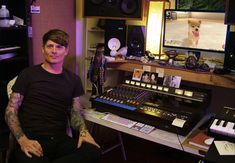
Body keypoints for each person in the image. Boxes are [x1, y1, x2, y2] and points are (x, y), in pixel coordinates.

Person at [4, 29, 101, 163]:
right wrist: (23, 140)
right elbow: (10, 111)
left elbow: (75, 113)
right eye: (50, 46)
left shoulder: (73, 80)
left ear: (66, 51)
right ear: (43, 49)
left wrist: (84, 131)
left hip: (60, 140)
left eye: (59, 47)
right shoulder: (27, 74)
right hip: (32, 139)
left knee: (94, 151)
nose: (54, 51)